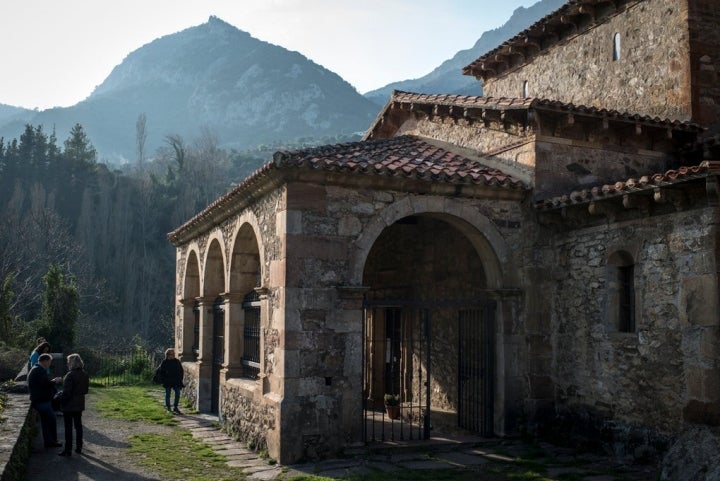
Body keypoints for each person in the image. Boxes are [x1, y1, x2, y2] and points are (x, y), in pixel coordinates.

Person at [28, 353, 62, 448]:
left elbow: (43, 383)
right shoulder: (39, 370)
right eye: (50, 361)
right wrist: (55, 381)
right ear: (45, 361)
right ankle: (51, 442)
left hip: (39, 400)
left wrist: (53, 381)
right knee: (50, 420)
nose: (50, 363)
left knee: (47, 421)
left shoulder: (37, 369)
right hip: (41, 401)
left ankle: (50, 441)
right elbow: (45, 384)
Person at [58, 353, 89, 457]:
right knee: (78, 426)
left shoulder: (69, 375)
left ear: (71, 363)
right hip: (79, 403)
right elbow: (85, 390)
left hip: (69, 405)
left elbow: (67, 393)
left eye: (68, 362)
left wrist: (58, 399)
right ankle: (79, 447)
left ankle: (68, 449)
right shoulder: (84, 374)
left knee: (68, 428)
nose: (67, 364)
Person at [156, 348, 184, 414]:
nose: (172, 355)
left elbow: (181, 371)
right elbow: (161, 372)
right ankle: (168, 407)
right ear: (167, 354)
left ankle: (175, 407)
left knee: (177, 393)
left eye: (173, 354)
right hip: (168, 381)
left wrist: (180, 379)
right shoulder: (164, 362)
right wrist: (164, 379)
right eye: (171, 354)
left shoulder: (177, 361)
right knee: (168, 394)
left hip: (176, 380)